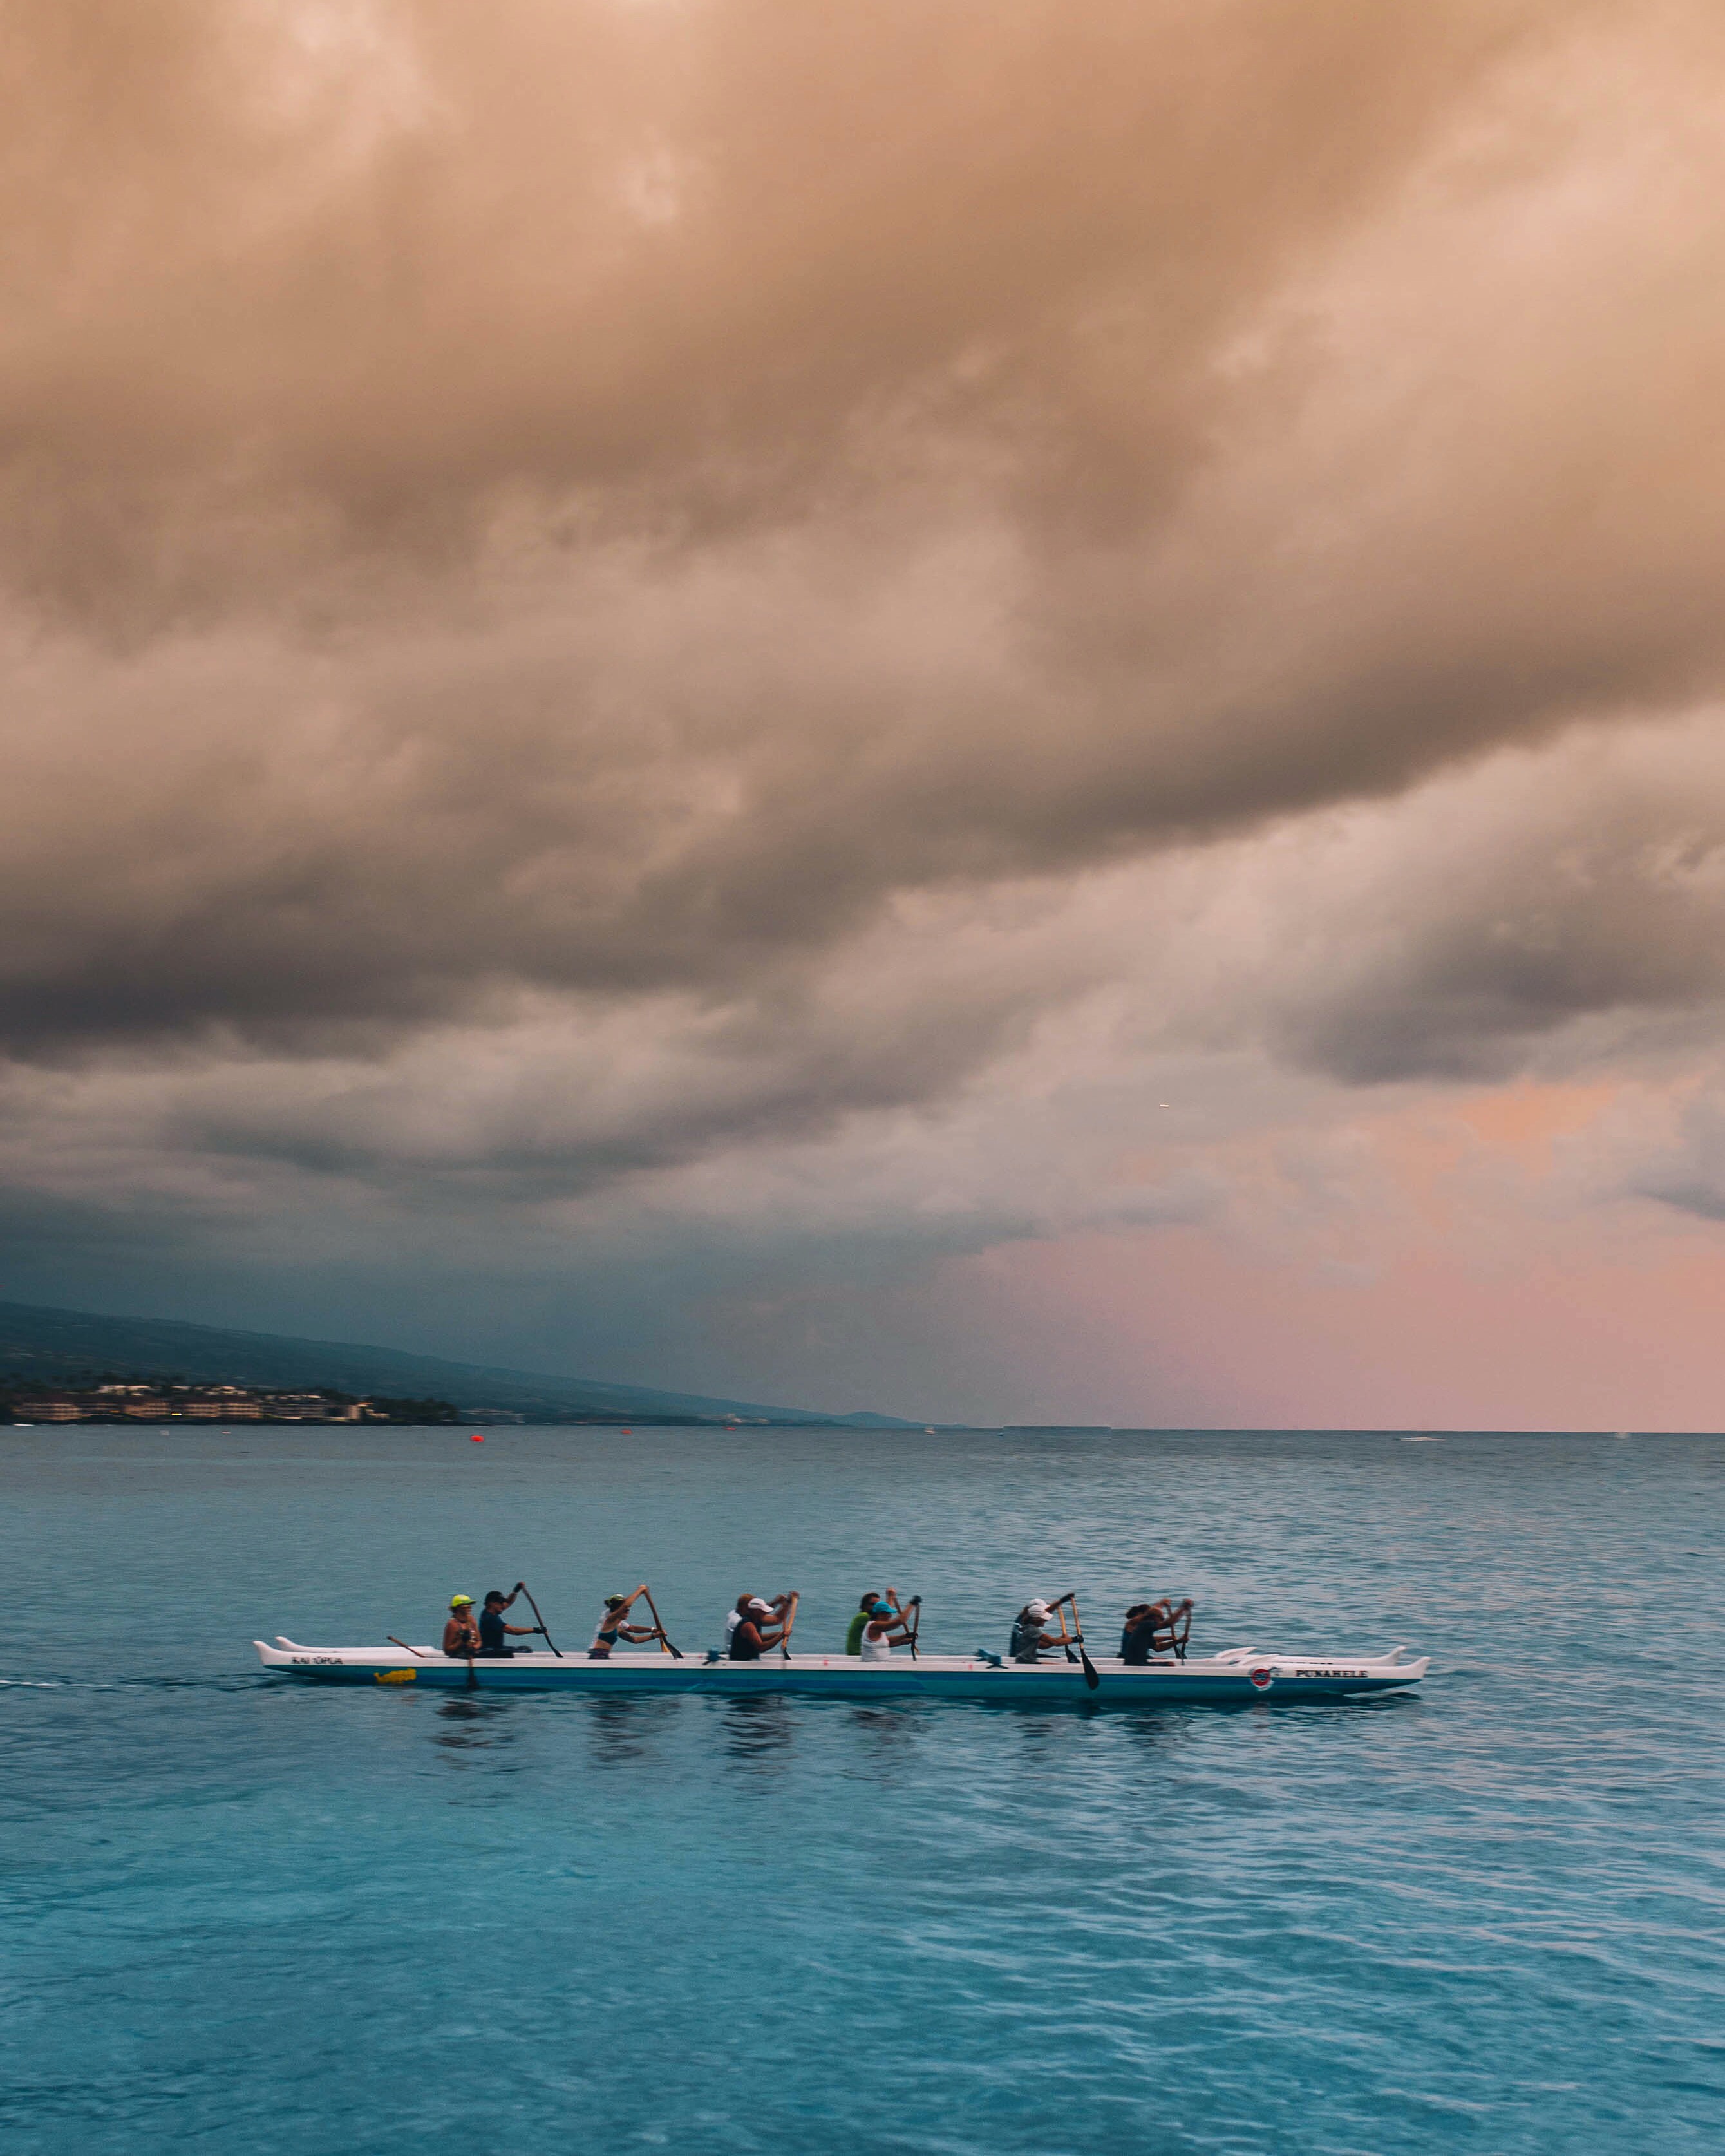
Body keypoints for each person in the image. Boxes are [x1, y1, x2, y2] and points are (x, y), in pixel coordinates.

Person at [589, 1585, 659, 1660]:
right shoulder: (610, 1620)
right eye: (625, 1611)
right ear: (619, 1610)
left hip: (605, 1655)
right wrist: (640, 1590)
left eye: (628, 1611)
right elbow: (626, 1605)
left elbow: (634, 1639)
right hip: (597, 1655)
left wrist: (655, 1635)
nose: (628, 1612)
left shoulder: (618, 1627)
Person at [728, 1593, 795, 1660]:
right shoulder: (747, 1625)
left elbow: (778, 1619)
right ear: (755, 1611)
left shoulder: (754, 1619)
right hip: (741, 1664)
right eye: (763, 1612)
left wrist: (788, 1602)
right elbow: (761, 1648)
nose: (765, 1614)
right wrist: (780, 1636)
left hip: (748, 1661)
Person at [478, 1585, 540, 1657]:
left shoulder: (489, 1612)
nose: (503, 1605)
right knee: (521, 1651)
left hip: (496, 1648)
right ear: (492, 1603)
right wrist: (536, 1630)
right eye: (500, 1603)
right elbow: (513, 1630)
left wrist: (516, 1591)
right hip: (490, 1650)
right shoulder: (490, 1618)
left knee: (526, 1649)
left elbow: (508, 1603)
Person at [1008, 1598, 1066, 1663]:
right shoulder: (1025, 1625)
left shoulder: (1023, 1621)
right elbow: (1042, 1645)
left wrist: (1060, 1640)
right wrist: (1060, 1640)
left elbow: (1041, 1645)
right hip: (1021, 1658)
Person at [858, 1598, 915, 1663]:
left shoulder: (879, 1630)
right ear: (880, 1614)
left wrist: (905, 1637)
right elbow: (899, 1622)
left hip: (881, 1666)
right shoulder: (873, 1626)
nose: (890, 1616)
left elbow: (886, 1642)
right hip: (872, 1669)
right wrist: (912, 1604)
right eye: (888, 1614)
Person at [442, 1594, 480, 1658]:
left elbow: (479, 1641)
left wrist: (473, 1648)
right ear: (458, 1608)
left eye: (470, 1604)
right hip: (458, 1659)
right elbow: (447, 1651)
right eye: (466, 1605)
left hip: (471, 1657)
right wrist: (461, 1642)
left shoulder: (472, 1620)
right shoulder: (452, 1625)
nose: (470, 1607)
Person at [845, 1591, 883, 1656]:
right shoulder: (864, 1617)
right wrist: (891, 1597)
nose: (876, 1607)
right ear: (864, 1605)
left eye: (878, 1605)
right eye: (872, 1604)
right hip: (858, 1655)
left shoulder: (869, 1619)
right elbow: (885, 1623)